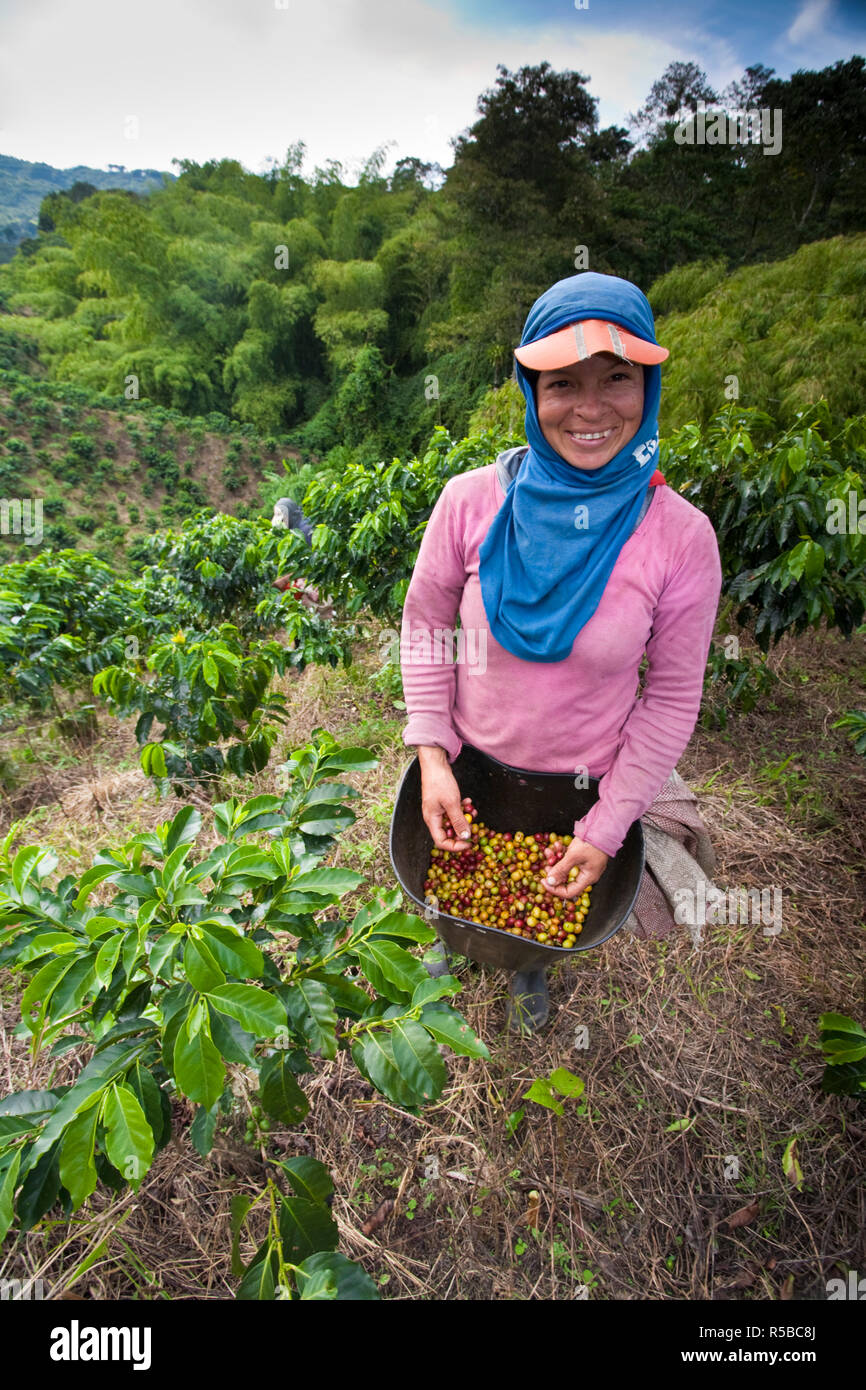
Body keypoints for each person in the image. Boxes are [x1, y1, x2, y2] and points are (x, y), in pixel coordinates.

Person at [399, 270, 723, 1033]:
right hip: (469, 760)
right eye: (561, 382)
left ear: (650, 385)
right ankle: (444, 944)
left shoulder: (681, 538)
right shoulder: (470, 501)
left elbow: (672, 696)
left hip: (581, 785)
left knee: (545, 900)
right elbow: (425, 622)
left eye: (618, 378)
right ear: (529, 392)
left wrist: (607, 828)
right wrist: (434, 756)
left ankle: (528, 971)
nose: (589, 407)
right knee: (457, 880)